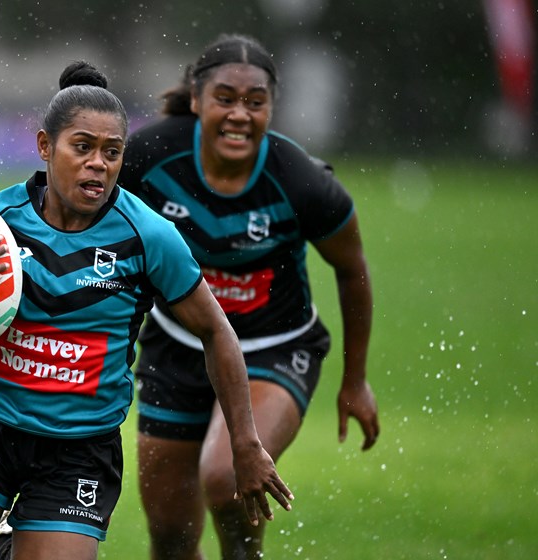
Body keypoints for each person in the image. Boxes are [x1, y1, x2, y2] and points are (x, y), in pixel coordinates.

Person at [0, 60, 293, 560]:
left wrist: (245, 443)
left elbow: (217, 332)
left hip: (79, 450)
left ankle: (6, 549)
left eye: (112, 152)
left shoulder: (149, 236)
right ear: (45, 147)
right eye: (83, 147)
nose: (99, 163)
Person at [118, 34, 381, 559]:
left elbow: (353, 271)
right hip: (177, 347)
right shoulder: (150, 157)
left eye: (255, 102)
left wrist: (355, 381)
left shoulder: (301, 182)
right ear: (196, 100)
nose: (240, 115)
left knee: (224, 474)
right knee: (169, 538)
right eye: (225, 99)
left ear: (271, 107)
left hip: (276, 349)